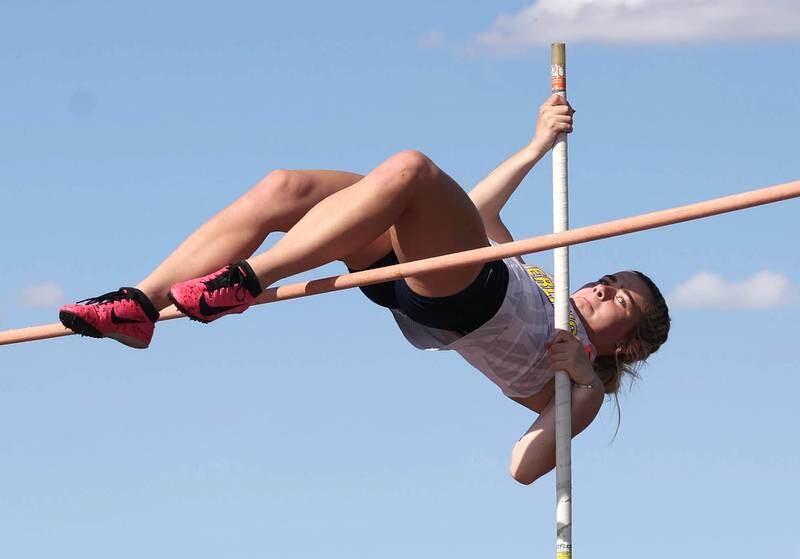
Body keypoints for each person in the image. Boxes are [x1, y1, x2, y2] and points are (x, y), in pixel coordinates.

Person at [59, 95, 670, 484]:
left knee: (412, 172)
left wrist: (583, 384)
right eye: (609, 279)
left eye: (621, 299)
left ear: (629, 347)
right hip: (439, 270)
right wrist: (535, 147)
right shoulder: (553, 283)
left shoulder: (584, 383)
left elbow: (523, 468)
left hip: (467, 298)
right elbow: (479, 210)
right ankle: (141, 307)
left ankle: (249, 279)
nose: (602, 287)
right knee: (286, 189)